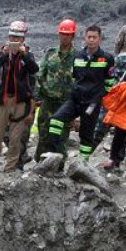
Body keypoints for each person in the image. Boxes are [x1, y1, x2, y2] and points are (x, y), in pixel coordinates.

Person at [49, 25, 114, 160]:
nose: (91, 40)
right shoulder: (77, 56)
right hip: (75, 99)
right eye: (89, 37)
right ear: (84, 38)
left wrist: (102, 100)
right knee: (55, 120)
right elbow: (74, 78)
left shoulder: (107, 58)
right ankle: (58, 154)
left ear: (99, 39)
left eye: (94, 37)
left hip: (92, 102)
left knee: (86, 134)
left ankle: (82, 163)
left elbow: (109, 82)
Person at [0, 21, 40, 172]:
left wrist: (24, 55)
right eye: (12, 37)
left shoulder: (27, 55)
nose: (15, 40)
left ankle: (10, 167)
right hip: (3, 100)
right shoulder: (2, 53)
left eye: (18, 38)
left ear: (23, 39)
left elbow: (34, 69)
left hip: (20, 101)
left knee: (16, 138)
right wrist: (4, 54)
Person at [36, 21, 78, 161]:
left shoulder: (78, 57)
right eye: (62, 34)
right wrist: (45, 91)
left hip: (66, 104)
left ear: (73, 36)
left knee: (61, 135)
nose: (64, 37)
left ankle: (58, 165)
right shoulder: (50, 53)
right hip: (48, 101)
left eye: (68, 35)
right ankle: (40, 162)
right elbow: (40, 75)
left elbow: (80, 80)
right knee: (43, 133)